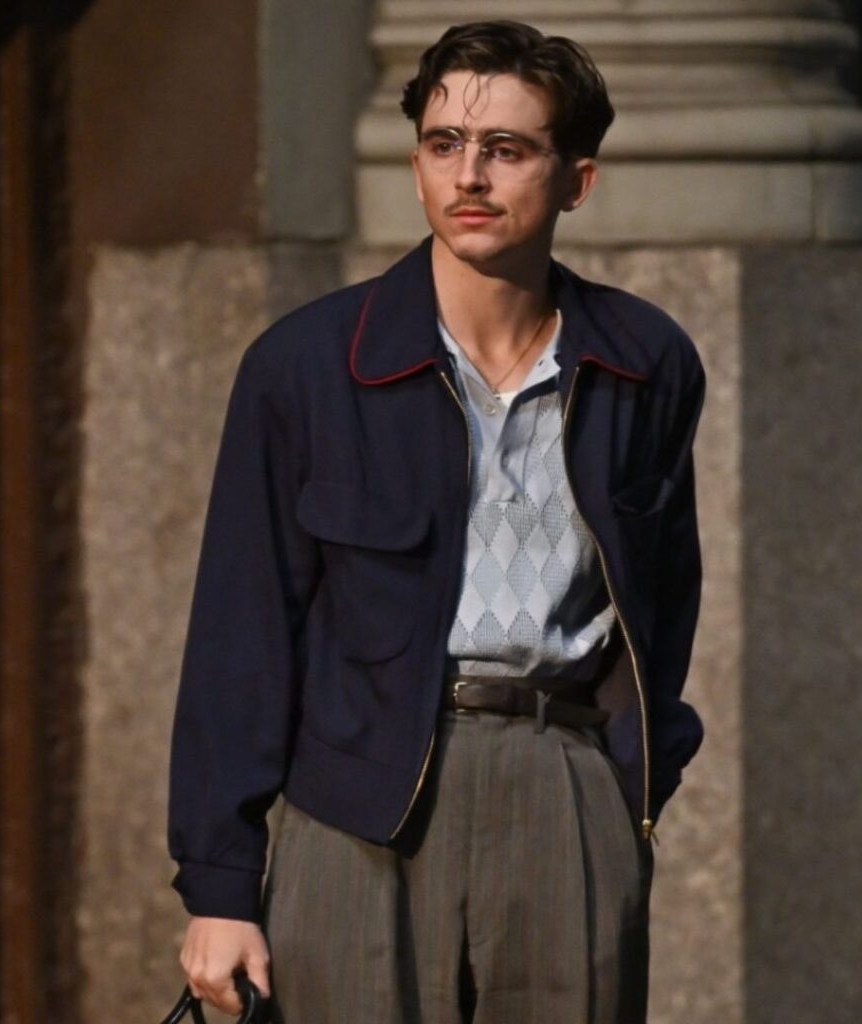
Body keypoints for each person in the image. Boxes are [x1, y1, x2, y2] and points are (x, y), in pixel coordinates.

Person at [168, 19, 705, 1023]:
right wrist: (220, 884)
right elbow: (242, 634)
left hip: (565, 781)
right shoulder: (305, 367)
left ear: (576, 180)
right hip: (357, 804)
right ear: (415, 164)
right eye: (443, 143)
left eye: (506, 149)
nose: (470, 175)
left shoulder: (646, 362)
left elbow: (666, 598)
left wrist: (628, 782)